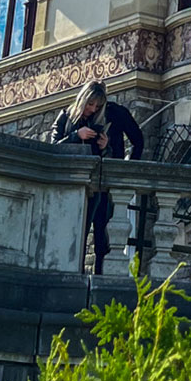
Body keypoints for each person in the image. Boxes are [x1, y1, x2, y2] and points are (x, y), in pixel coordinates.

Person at [51, 79, 144, 273]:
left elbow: (136, 141)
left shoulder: (109, 115)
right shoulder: (66, 116)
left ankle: (100, 275)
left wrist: (106, 148)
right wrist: (77, 135)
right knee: (76, 232)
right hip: (72, 184)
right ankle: (72, 272)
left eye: (97, 106)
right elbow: (53, 148)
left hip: (101, 183)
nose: (92, 109)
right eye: (90, 104)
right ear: (82, 100)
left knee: (103, 235)